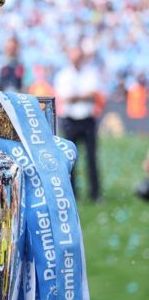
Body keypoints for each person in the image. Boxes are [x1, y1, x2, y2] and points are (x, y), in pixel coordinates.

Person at [54, 45, 102, 201]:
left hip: (87, 119)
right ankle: (73, 193)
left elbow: (93, 94)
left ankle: (95, 194)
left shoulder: (90, 72)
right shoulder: (63, 75)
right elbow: (65, 97)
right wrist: (83, 96)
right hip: (70, 120)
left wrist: (76, 97)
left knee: (92, 158)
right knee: (70, 159)